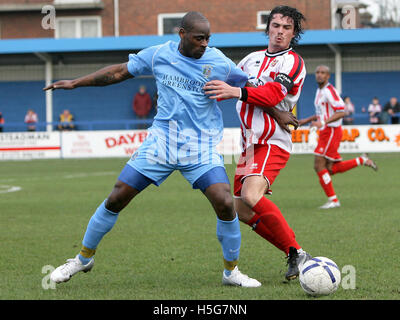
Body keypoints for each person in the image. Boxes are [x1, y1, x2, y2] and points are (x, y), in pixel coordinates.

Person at [44, 12, 261, 287]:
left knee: (225, 202)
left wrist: (277, 111)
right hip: (161, 144)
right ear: (181, 34)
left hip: (200, 147)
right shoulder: (159, 55)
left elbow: (250, 87)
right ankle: (82, 259)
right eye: (199, 38)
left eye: (208, 38)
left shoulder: (219, 62)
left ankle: (231, 272)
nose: (205, 43)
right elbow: (120, 71)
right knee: (116, 197)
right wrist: (76, 83)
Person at [204, 5, 312, 281]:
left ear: (293, 34)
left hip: (272, 140)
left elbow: (273, 93)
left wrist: (238, 92)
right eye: (276, 26)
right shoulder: (250, 59)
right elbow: (230, 81)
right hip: (250, 144)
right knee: (239, 208)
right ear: (268, 28)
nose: (280, 32)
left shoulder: (293, 62)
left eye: (287, 28)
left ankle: (298, 252)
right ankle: (294, 252)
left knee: (252, 197)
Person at [298, 65, 378, 209]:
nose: (319, 75)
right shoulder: (319, 91)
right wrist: (305, 120)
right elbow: (321, 113)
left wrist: (322, 122)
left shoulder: (329, 91)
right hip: (325, 131)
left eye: (323, 73)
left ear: (328, 76)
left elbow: (341, 111)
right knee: (329, 168)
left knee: (319, 165)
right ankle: (361, 160)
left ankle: (333, 200)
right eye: (317, 72)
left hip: (331, 131)